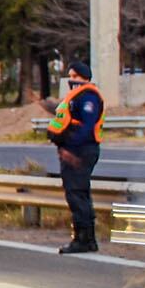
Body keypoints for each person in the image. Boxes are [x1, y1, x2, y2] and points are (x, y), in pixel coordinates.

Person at [46, 60, 106, 254]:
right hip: (73, 150)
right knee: (77, 194)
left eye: (75, 77)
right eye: (70, 76)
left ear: (85, 78)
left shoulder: (89, 97)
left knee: (77, 195)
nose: (71, 80)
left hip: (81, 151)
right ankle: (85, 238)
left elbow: (86, 127)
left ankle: (84, 239)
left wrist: (70, 148)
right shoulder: (75, 97)